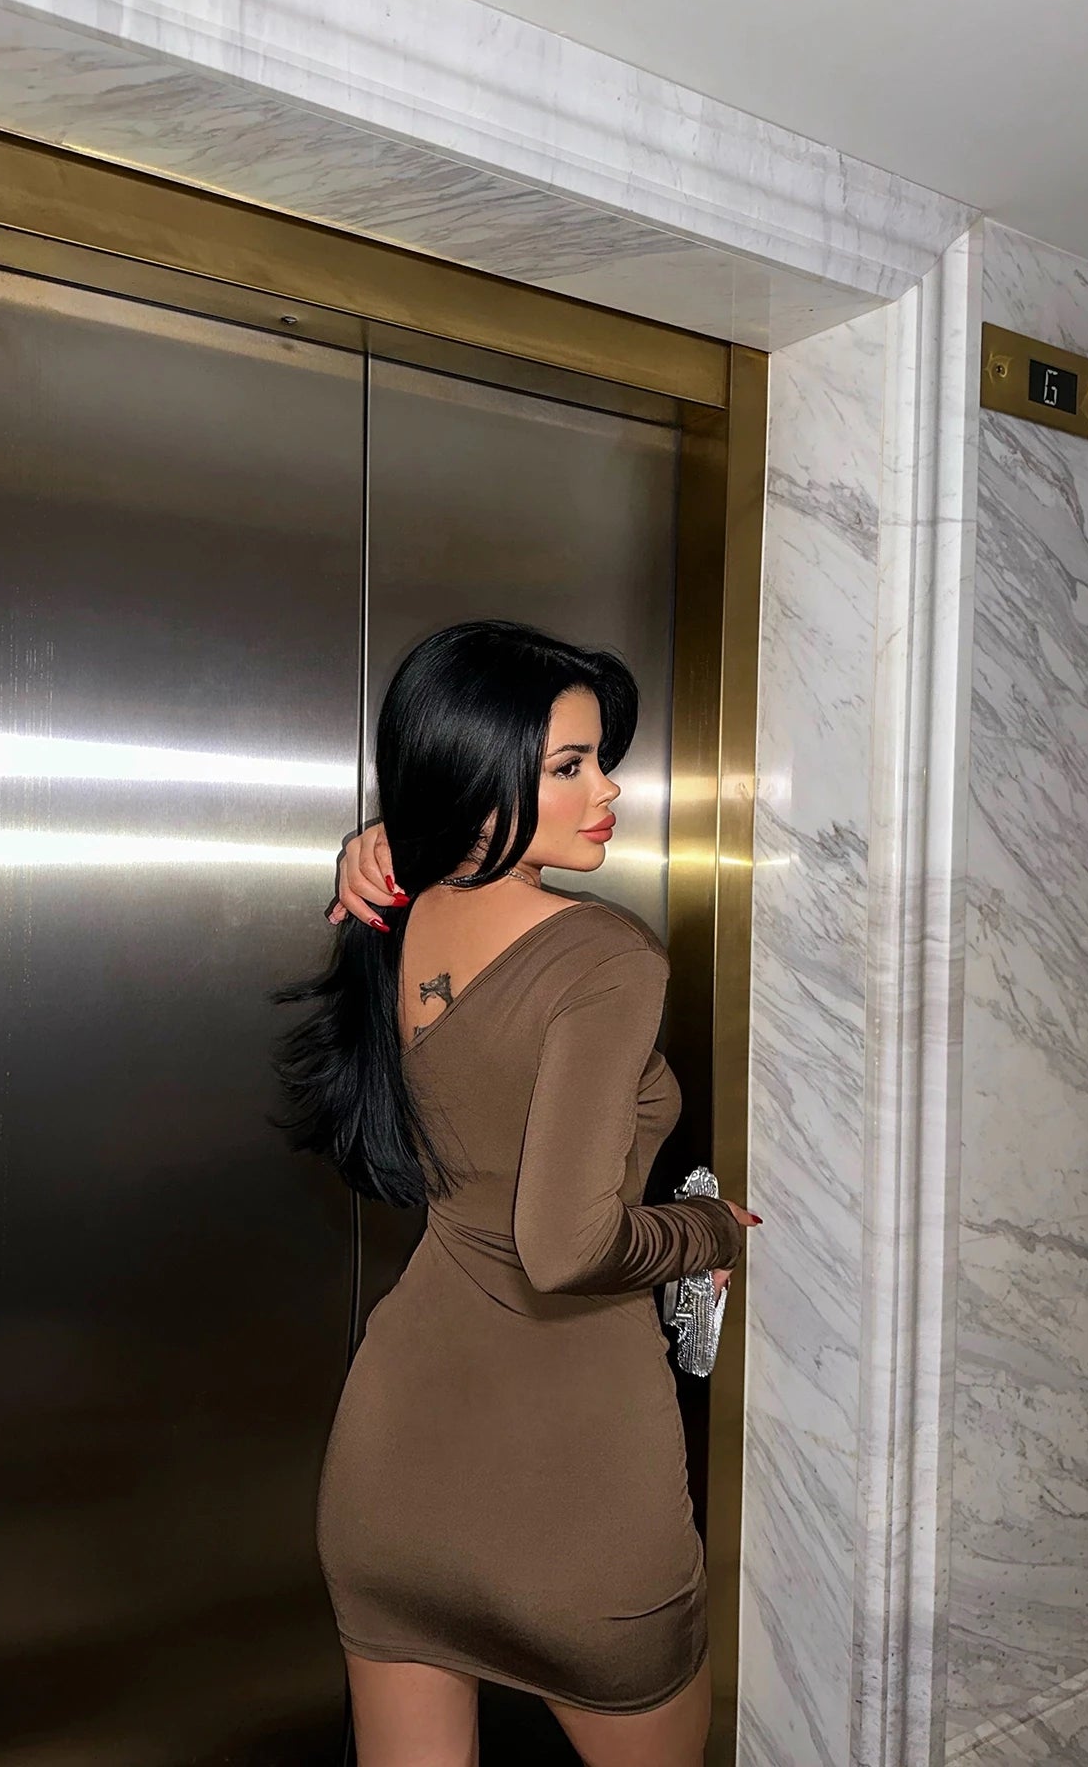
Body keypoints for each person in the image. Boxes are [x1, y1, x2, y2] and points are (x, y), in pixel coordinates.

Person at [275, 619, 760, 1767]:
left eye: (602, 760)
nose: (609, 790)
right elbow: (565, 1245)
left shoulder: (398, 909)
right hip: (576, 1493)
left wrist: (378, 845)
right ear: (478, 774)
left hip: (392, 1477)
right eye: (570, 766)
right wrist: (702, 1231)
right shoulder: (604, 956)